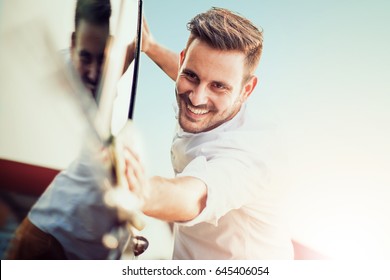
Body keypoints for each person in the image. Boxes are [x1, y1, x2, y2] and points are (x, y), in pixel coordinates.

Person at [124, 7, 294, 259]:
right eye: (191, 76)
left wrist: (131, 190)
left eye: (218, 86)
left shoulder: (248, 157)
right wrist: (150, 46)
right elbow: (198, 74)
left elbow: (191, 198)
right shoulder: (203, 100)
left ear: (246, 90)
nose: (197, 97)